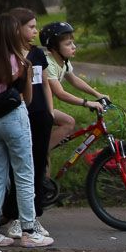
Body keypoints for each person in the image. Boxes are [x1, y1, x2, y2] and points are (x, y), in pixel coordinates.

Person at [0, 13, 53, 248]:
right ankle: (29, 230)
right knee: (24, 174)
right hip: (14, 118)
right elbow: (27, 99)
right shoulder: (20, 61)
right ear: (12, 35)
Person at [0, 8, 54, 240]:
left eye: (35, 26)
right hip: (18, 115)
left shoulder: (38, 54)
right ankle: (13, 217)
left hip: (40, 115)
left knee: (39, 165)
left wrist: (50, 112)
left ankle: (33, 216)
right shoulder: (8, 55)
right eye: (30, 26)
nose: (35, 31)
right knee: (18, 167)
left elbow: (46, 85)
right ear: (16, 28)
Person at [39, 21, 108, 154]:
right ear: (53, 48)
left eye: (73, 42)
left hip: (44, 107)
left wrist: (98, 95)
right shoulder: (48, 64)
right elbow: (60, 93)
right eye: (68, 44)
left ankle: (40, 154)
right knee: (68, 123)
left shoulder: (63, 62)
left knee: (68, 122)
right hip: (35, 109)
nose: (74, 46)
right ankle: (38, 154)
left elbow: (74, 80)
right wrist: (87, 103)